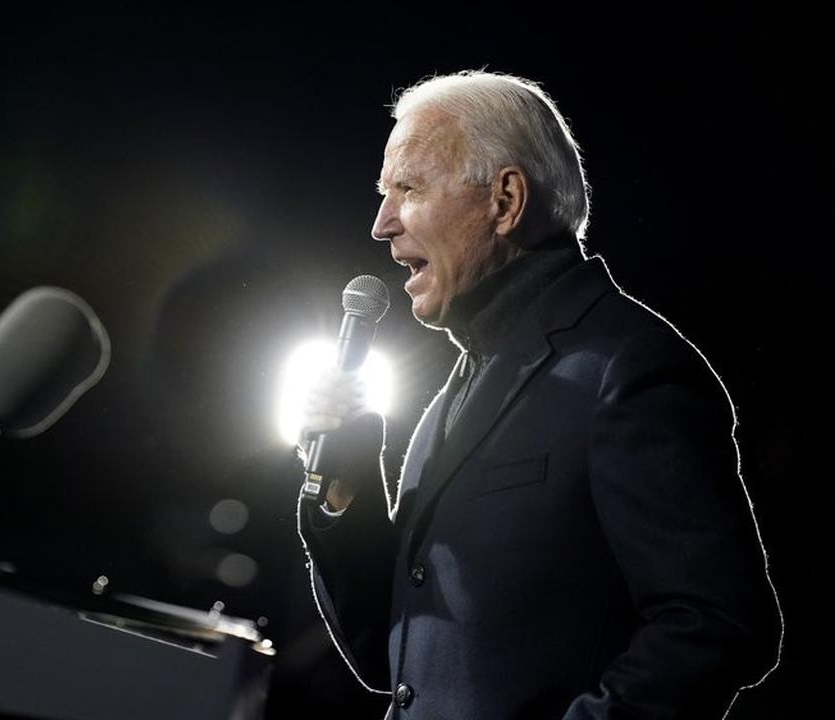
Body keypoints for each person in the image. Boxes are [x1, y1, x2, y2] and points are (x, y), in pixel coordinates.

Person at [296, 71, 782, 719]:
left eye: (407, 189)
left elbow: (715, 622)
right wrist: (346, 488)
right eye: (385, 194)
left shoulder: (627, 367)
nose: (382, 225)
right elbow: (393, 663)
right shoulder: (452, 400)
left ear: (504, 201)